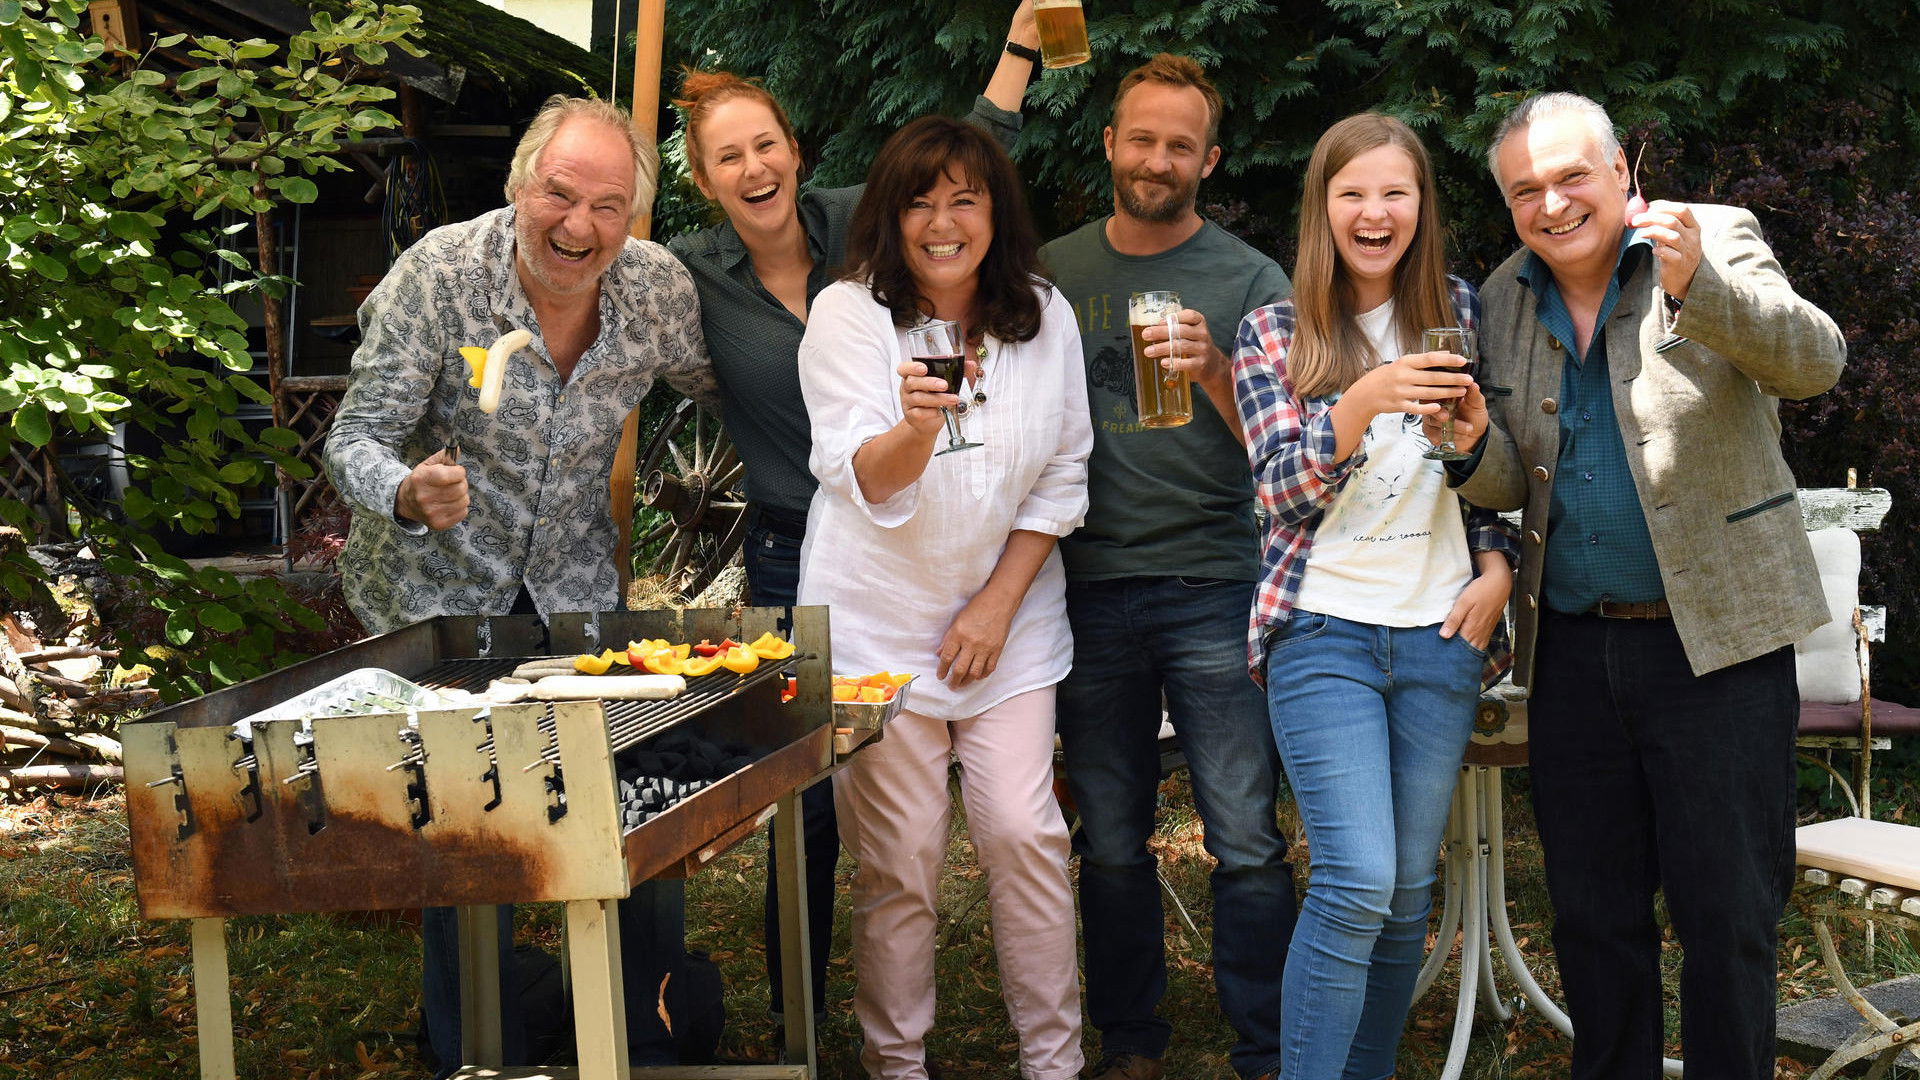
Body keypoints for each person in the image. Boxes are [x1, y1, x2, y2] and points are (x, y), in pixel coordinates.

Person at [1448, 92, 1845, 1078]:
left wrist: (1701, 284)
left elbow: (1815, 362)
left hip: (1718, 647)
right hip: (1573, 655)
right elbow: (1514, 482)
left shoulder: (1711, 237)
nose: (1551, 204)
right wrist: (1468, 447)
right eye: (1525, 191)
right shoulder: (1501, 297)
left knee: (1728, 919)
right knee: (1593, 918)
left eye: (1571, 176)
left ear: (1622, 169)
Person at [664, 4, 1039, 1030]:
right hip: (796, 553)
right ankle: (801, 1017)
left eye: (765, 145)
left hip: (918, 538)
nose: (754, 168)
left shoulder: (858, 224)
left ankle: (881, 999)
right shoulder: (689, 274)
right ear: (704, 179)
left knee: (891, 794)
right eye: (729, 157)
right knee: (809, 795)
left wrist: (1020, 44)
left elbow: (969, 167)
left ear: (795, 151)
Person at [324, 95, 717, 1076]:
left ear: (633, 217)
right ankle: (474, 1050)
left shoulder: (656, 291)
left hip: (573, 593)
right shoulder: (441, 275)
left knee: (635, 800)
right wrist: (406, 491)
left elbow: (739, 382)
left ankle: (640, 1033)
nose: (579, 225)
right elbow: (355, 437)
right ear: (519, 186)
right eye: (559, 195)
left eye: (609, 207)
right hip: (437, 599)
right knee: (470, 829)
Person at [796, 115, 1092, 1080]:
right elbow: (863, 478)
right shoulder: (847, 315)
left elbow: (1063, 474)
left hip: (1009, 617)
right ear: (890, 216)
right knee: (901, 860)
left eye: (965, 200)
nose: (942, 222)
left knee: (1025, 833)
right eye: (919, 202)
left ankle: (1054, 1063)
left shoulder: (1044, 314)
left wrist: (996, 606)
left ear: (996, 214)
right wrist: (918, 429)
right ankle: (896, 1063)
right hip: (874, 624)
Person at [1231, 112, 1518, 1080]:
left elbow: (1489, 470)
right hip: (1322, 630)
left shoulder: (1462, 311)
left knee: (1402, 900)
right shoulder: (1274, 331)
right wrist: (1359, 402)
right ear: (1322, 208)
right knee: (1356, 878)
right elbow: (1277, 493)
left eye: (1396, 192)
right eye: (1352, 193)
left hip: (1440, 632)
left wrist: (1497, 567)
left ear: (1421, 206)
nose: (1374, 212)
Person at [1038, 53, 1297, 1080]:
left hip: (1214, 582)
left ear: (1209, 160)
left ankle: (1268, 1047)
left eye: (1179, 145)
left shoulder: (1250, 279)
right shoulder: (1050, 273)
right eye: (1141, 139)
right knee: (1109, 836)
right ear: (1109, 143)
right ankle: (1130, 1040)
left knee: (1245, 834)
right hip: (1084, 586)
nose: (1157, 159)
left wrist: (1220, 371)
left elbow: (1290, 455)